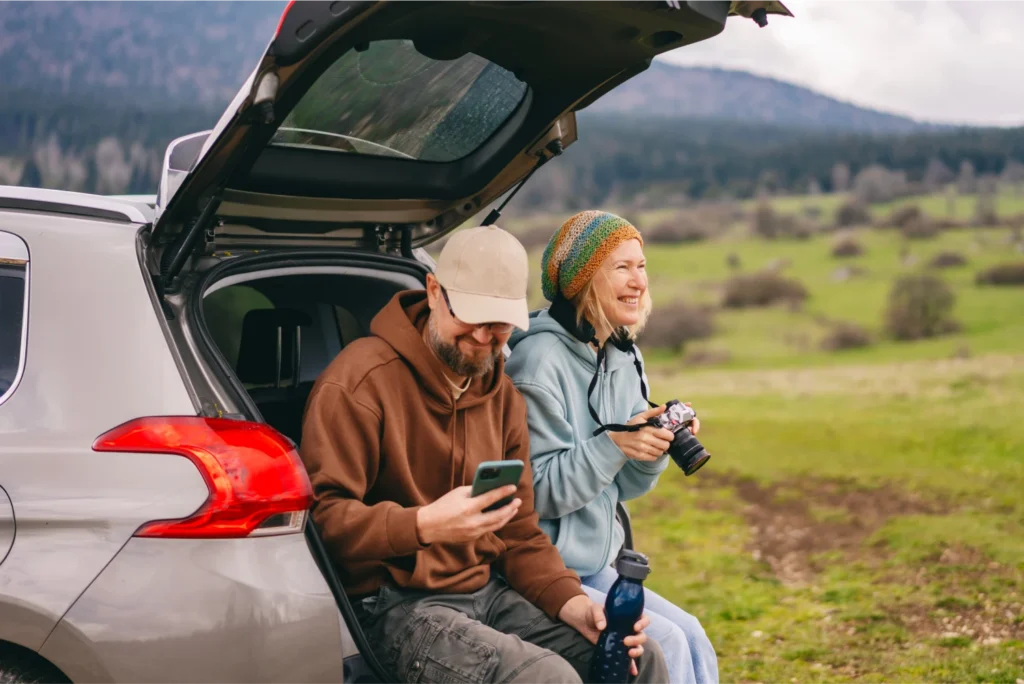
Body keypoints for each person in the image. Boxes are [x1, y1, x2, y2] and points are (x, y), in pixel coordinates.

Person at [300, 224, 668, 684]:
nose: (483, 337)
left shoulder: (503, 397)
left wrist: (574, 605)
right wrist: (422, 525)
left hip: (487, 590)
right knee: (546, 678)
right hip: (393, 605)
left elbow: (519, 532)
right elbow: (324, 522)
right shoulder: (359, 381)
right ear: (434, 292)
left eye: (499, 324)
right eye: (471, 317)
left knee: (640, 657)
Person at [505, 210, 719, 684]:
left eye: (641, 266)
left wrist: (653, 446)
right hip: (547, 570)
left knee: (692, 635)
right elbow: (536, 491)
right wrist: (613, 445)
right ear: (582, 279)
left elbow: (621, 486)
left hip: (596, 564)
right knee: (664, 645)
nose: (638, 281)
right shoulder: (537, 363)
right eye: (621, 267)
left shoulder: (622, 355)